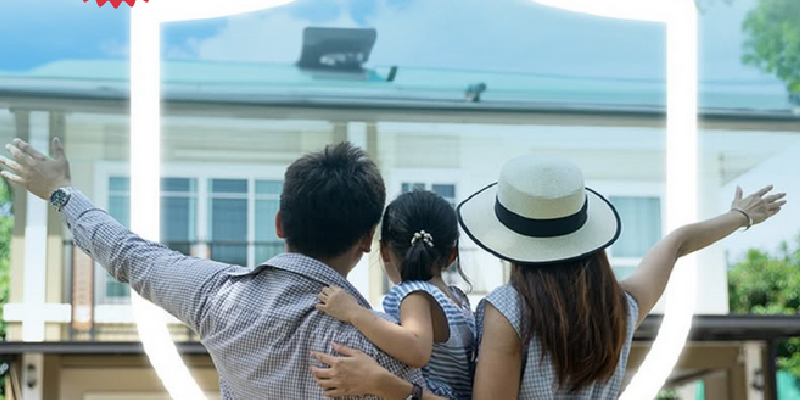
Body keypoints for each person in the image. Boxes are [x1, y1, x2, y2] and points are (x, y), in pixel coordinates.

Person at [0, 138, 448, 400]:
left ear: (279, 224)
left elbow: (129, 255)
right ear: (367, 240)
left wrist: (60, 191)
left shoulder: (219, 297)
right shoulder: (385, 357)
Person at [312, 154, 786, 399]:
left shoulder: (507, 310)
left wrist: (387, 386)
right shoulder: (621, 307)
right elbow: (677, 243)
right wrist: (739, 217)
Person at [316, 190, 476, 399]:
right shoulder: (458, 299)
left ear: (384, 251)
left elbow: (417, 350)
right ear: (452, 256)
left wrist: (353, 312)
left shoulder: (414, 294)